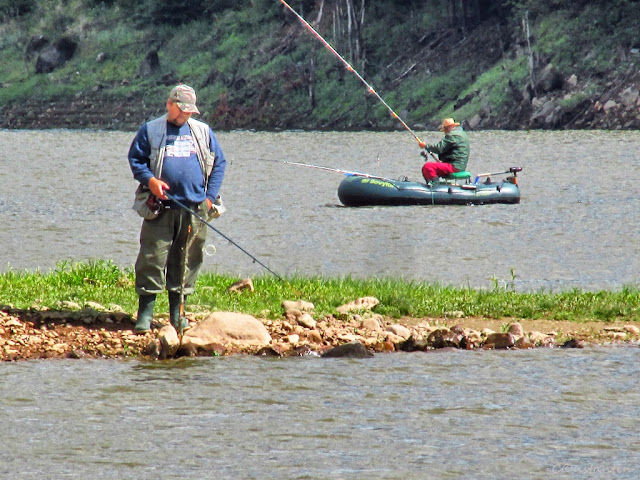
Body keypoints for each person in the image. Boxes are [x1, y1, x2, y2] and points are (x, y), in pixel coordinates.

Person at [128, 84, 227, 333]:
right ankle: (145, 315)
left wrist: (209, 197)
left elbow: (220, 163)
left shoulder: (203, 132)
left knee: (187, 260)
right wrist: (150, 181)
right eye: (181, 110)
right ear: (169, 104)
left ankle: (177, 314)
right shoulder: (150, 130)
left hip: (195, 207)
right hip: (160, 207)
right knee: (152, 257)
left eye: (189, 112)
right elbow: (136, 160)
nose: (184, 115)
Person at [421, 118, 470, 183]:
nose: (445, 132)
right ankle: (435, 183)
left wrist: (425, 146)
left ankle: (435, 185)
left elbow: (439, 148)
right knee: (436, 166)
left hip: (454, 167)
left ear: (447, 128)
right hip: (461, 166)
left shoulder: (452, 136)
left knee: (428, 167)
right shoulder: (462, 134)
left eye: (445, 130)